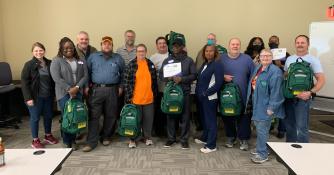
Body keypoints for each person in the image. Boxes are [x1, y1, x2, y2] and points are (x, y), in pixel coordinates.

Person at [82, 36, 125, 152]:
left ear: (112, 46)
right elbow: (87, 73)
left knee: (111, 115)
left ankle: (106, 136)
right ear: (101, 45)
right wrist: (86, 86)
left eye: (109, 44)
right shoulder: (93, 57)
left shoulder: (118, 58)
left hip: (112, 90)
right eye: (104, 44)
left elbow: (123, 74)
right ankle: (91, 142)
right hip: (96, 90)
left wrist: (121, 86)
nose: (107, 46)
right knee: (94, 116)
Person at [245, 49, 285, 163]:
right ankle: (261, 148)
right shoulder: (258, 67)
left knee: (262, 129)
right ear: (259, 57)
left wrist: (271, 108)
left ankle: (262, 154)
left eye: (268, 56)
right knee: (259, 127)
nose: (265, 58)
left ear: (272, 57)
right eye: (263, 56)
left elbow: (276, 92)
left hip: (266, 105)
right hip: (257, 102)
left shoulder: (275, 72)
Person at [284, 35, 325, 143]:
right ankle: (290, 150)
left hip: (304, 98)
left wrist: (310, 93)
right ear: (295, 44)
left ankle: (303, 153)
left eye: (302, 42)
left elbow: (321, 80)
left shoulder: (313, 60)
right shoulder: (289, 59)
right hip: (289, 97)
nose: (300, 44)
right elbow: (286, 77)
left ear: (308, 44)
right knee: (289, 126)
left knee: (302, 127)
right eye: (298, 42)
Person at [50, 37, 88, 149]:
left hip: (78, 92)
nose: (68, 49)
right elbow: (56, 78)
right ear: (61, 49)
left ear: (74, 48)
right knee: (67, 117)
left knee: (76, 116)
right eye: (65, 48)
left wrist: (76, 87)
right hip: (64, 94)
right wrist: (69, 89)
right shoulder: (56, 60)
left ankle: (74, 140)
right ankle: (67, 141)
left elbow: (85, 75)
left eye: (70, 47)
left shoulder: (80, 59)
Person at [160, 38, 196, 149]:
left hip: (184, 93)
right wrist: (168, 77)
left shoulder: (189, 60)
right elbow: (161, 75)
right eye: (173, 46)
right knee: (171, 115)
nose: (175, 48)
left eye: (177, 46)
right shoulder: (167, 60)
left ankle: (184, 139)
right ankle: (171, 138)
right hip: (170, 93)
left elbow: (194, 75)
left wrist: (182, 79)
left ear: (182, 47)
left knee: (185, 117)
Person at [21, 42, 58, 148]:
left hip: (48, 96)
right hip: (35, 97)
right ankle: (35, 140)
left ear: (44, 51)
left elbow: (53, 80)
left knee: (48, 116)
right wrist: (28, 98)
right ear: (32, 52)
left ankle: (48, 135)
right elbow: (24, 83)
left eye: (40, 50)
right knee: (35, 118)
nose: (38, 52)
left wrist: (55, 94)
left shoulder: (50, 63)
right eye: (36, 51)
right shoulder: (28, 65)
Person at [221, 38, 255, 151]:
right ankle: (231, 137)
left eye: (237, 44)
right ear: (228, 46)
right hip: (226, 95)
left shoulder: (247, 59)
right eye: (233, 44)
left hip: (243, 94)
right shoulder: (221, 59)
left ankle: (244, 139)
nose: (235, 46)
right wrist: (222, 77)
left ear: (240, 46)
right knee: (227, 115)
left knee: (244, 117)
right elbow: (214, 74)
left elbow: (254, 76)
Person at [123, 44, 158, 148]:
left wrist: (154, 95)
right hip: (135, 99)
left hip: (149, 99)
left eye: (143, 51)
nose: (141, 53)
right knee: (135, 121)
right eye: (139, 51)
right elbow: (126, 83)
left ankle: (147, 137)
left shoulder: (150, 64)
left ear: (146, 52)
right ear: (136, 52)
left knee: (148, 120)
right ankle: (133, 139)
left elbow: (154, 81)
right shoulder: (131, 65)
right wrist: (130, 97)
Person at [194, 44, 224, 153]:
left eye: (211, 51)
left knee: (211, 121)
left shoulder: (217, 65)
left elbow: (218, 83)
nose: (208, 53)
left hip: (210, 97)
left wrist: (206, 93)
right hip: (202, 97)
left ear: (215, 53)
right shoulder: (205, 64)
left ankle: (211, 145)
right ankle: (205, 138)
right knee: (205, 119)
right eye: (206, 51)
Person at [268, 35, 290, 139]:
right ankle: (270, 126)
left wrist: (279, 65)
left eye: (275, 41)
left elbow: (289, 71)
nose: (273, 43)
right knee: (270, 105)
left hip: (282, 84)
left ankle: (282, 129)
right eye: (271, 41)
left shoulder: (286, 54)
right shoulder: (266, 54)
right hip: (269, 84)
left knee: (282, 106)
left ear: (279, 42)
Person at [149, 36, 169, 136]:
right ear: (156, 46)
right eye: (160, 43)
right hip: (157, 89)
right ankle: (159, 132)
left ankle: (170, 132)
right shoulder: (152, 58)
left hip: (169, 89)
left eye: (164, 43)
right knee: (158, 111)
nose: (162, 45)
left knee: (169, 111)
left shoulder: (172, 55)